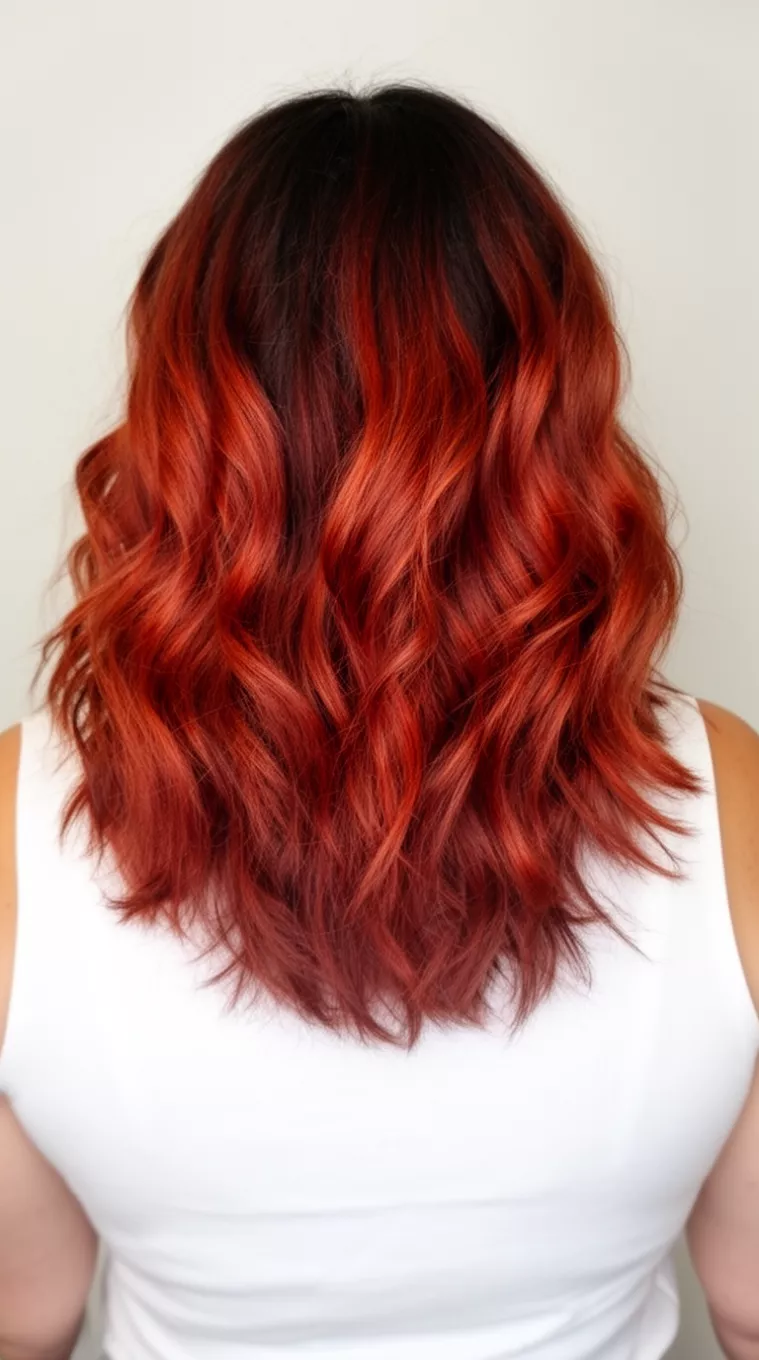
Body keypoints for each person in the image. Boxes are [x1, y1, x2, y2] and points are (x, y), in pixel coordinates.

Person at [0, 80, 757, 1360]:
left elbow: (28, 1311)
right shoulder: (726, 790)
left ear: (194, 419)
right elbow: (747, 1299)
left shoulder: (21, 825)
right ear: (552, 415)